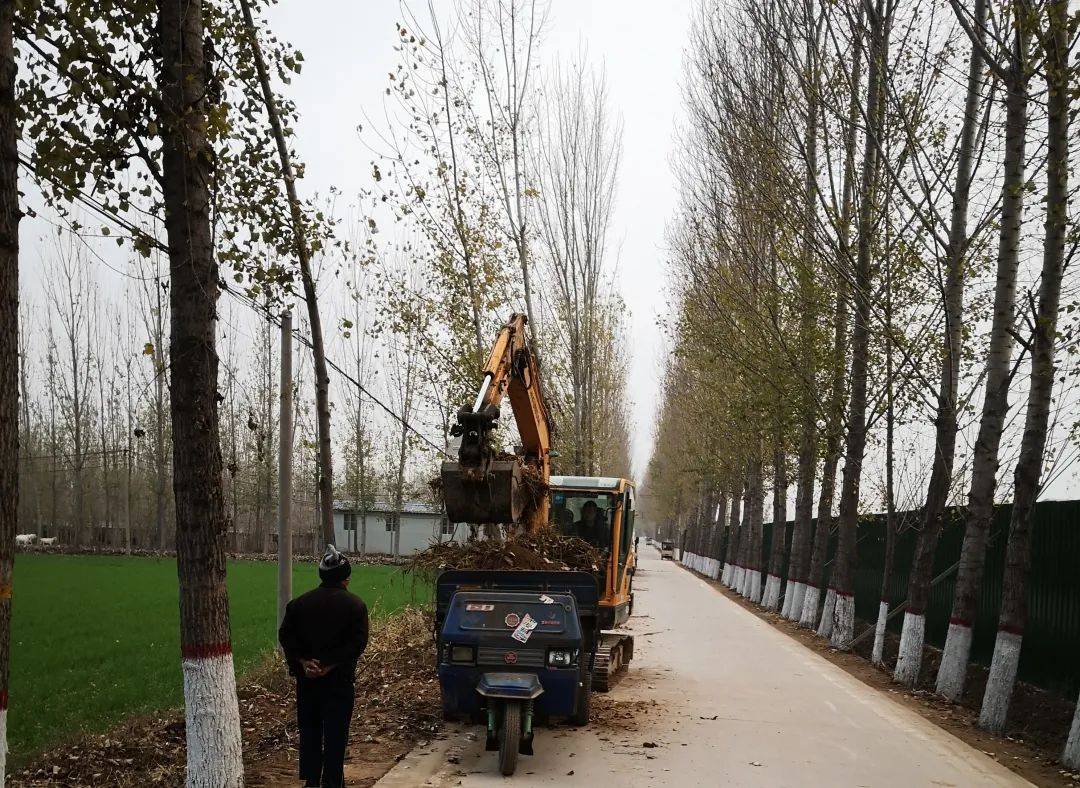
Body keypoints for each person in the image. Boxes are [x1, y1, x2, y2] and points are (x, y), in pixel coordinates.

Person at [279, 545, 369, 788]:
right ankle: (333, 781)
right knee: (336, 734)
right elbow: (357, 643)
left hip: (307, 682)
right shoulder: (355, 606)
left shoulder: (298, 604)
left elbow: (286, 637)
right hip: (338, 683)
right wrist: (330, 665)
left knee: (309, 730)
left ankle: (311, 780)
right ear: (346, 579)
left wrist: (303, 662)